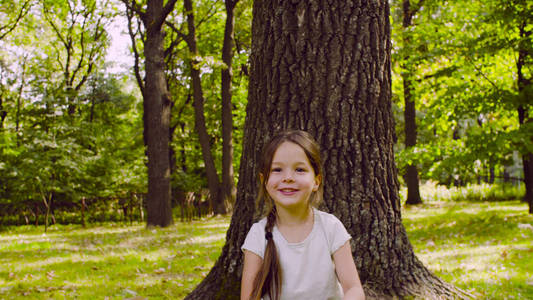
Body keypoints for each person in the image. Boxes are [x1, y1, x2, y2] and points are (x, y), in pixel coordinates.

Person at [241, 130, 365, 300]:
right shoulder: (257, 235)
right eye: (277, 169)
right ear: (264, 181)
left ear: (316, 181)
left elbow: (354, 289)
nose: (288, 178)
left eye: (299, 169)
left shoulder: (331, 227)